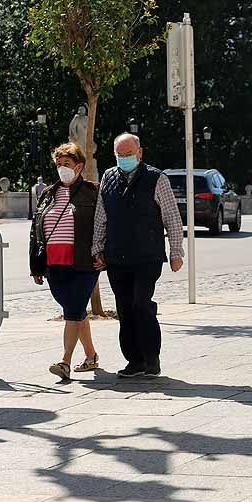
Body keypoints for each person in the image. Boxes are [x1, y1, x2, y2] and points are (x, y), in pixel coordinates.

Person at [92, 133, 185, 378]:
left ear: (139, 153)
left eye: (128, 154)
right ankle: (134, 360)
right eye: (119, 155)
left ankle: (151, 358)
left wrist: (176, 252)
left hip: (147, 256)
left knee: (141, 304)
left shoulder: (157, 178)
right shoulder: (108, 178)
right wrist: (97, 249)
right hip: (117, 257)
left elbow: (172, 218)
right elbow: (101, 217)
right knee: (124, 308)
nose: (124, 158)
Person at [30, 143, 101, 381]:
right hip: (55, 263)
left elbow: (104, 226)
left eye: (67, 164)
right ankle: (91, 356)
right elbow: (36, 231)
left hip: (84, 263)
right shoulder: (47, 193)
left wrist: (103, 253)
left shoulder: (93, 192)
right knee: (75, 310)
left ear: (79, 166)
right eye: (59, 164)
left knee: (72, 310)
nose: (62, 169)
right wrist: (36, 265)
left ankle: (65, 362)